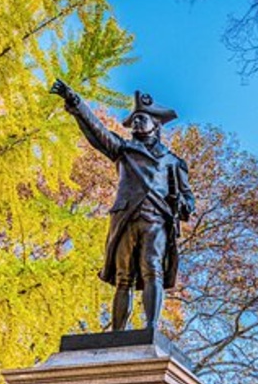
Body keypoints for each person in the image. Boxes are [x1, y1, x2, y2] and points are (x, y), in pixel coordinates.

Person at [50, 80, 194, 330]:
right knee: (123, 277)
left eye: (142, 118)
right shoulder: (123, 149)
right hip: (126, 217)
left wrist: (183, 204)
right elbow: (98, 132)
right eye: (134, 119)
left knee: (152, 269)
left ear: (156, 124)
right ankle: (117, 333)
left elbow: (188, 198)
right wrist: (76, 103)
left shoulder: (173, 162)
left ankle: (150, 327)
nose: (136, 123)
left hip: (156, 220)